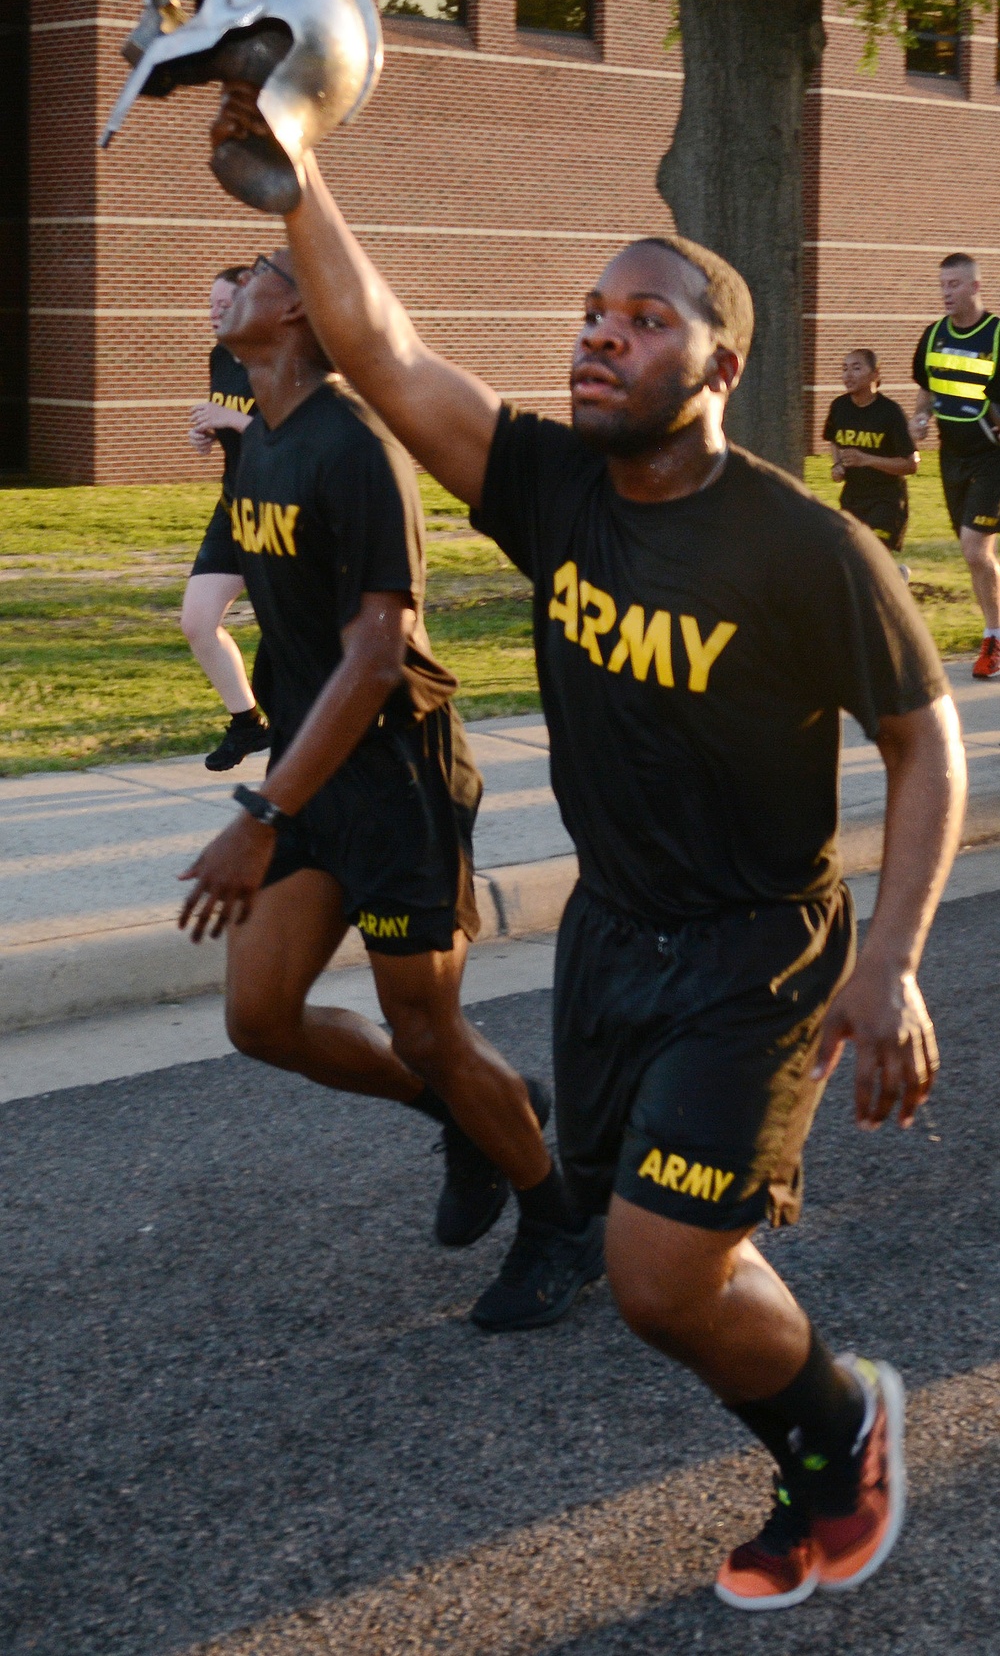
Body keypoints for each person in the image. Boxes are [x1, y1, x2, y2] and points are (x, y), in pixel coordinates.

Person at [209, 89, 968, 1609]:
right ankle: (823, 1416)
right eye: (589, 313)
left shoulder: (806, 545)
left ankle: (838, 1433)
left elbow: (923, 739)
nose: (601, 334)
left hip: (757, 949)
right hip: (611, 937)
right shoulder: (554, 492)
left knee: (654, 1269)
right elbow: (390, 354)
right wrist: (296, 176)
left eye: (645, 316)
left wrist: (889, 966)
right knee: (663, 1279)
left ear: (723, 365)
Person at [177, 249, 604, 1326]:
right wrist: (280, 789)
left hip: (398, 776)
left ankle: (556, 1217)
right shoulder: (261, 441)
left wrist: (263, 812)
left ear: (300, 315)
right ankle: (465, 1117)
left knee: (427, 1026)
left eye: (262, 275)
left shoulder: (354, 446)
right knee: (260, 1017)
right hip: (310, 773)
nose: (234, 286)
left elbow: (377, 655)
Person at [181, 266, 271, 770]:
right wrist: (209, 434)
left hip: (284, 513)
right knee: (197, 622)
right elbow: (236, 425)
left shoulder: (283, 360)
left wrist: (234, 420)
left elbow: (302, 438)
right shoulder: (222, 356)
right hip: (234, 506)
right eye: (210, 305)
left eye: (224, 304)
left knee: (293, 631)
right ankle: (248, 722)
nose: (214, 314)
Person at [911, 253, 1000, 678]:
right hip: (951, 457)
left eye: (955, 284)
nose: (946, 292)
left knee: (974, 548)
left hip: (991, 458)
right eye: (943, 284)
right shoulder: (933, 335)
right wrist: (921, 418)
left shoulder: (996, 335)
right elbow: (927, 389)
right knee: (977, 557)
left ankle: (993, 641)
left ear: (975, 287)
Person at [823, 349, 918, 581]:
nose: (848, 375)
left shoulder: (890, 412)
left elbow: (910, 464)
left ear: (875, 374)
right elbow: (834, 440)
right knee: (851, 559)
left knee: (872, 554)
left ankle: (889, 589)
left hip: (886, 500)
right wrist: (838, 465)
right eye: (844, 369)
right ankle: (895, 578)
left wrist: (867, 460)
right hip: (853, 498)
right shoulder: (839, 407)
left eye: (856, 368)